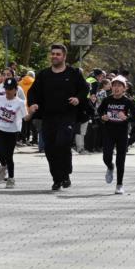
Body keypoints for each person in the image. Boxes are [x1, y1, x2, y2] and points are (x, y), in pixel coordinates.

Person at [26, 44, 89, 190]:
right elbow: (33, 92)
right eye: (53, 53)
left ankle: (65, 173)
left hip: (67, 115)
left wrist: (78, 98)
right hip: (48, 116)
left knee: (62, 143)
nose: (54, 56)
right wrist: (33, 104)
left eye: (58, 54)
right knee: (49, 148)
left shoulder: (73, 73)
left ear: (64, 57)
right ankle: (57, 179)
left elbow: (84, 88)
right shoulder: (44, 74)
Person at [98, 75, 135, 194]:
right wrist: (102, 117)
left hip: (122, 133)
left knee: (120, 160)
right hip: (108, 132)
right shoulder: (107, 100)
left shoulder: (128, 101)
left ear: (124, 88)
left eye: (119, 86)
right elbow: (99, 111)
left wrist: (126, 118)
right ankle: (110, 167)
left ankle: (119, 185)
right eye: (114, 85)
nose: (116, 88)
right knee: (106, 157)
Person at [0, 77, 30, 188]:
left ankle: (11, 178)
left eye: (10, 89)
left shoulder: (20, 103)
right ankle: (3, 165)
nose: (8, 91)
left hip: (12, 131)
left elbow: (26, 118)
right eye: (6, 88)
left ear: (15, 90)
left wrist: (31, 112)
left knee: (9, 155)